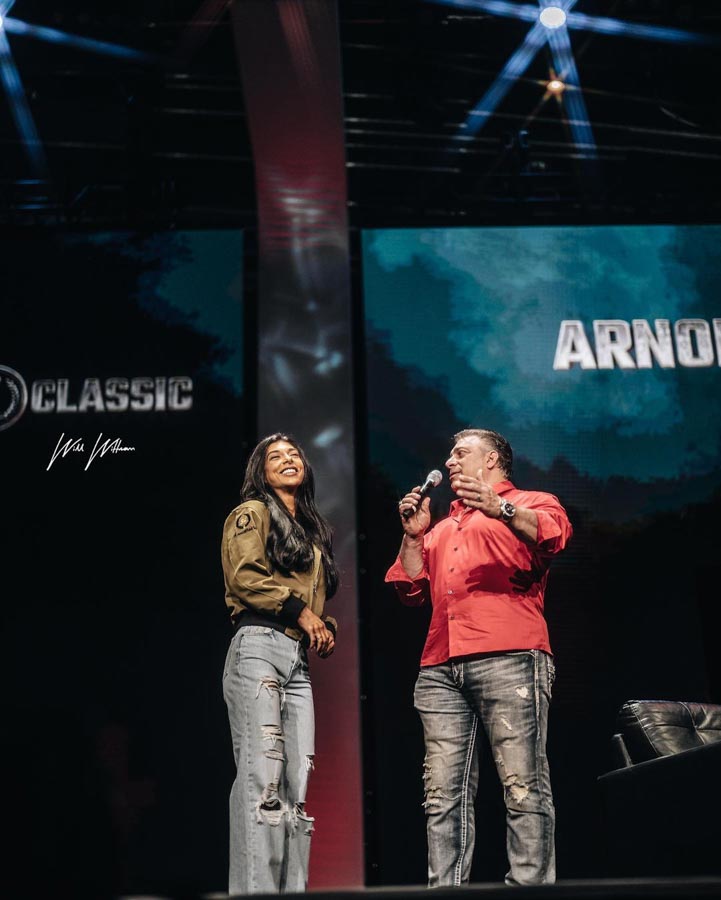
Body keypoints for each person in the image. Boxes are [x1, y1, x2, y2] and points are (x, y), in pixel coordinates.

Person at [385, 428, 573, 887]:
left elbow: (554, 535)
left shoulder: (531, 501)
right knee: (441, 795)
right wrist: (413, 536)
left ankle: (529, 889)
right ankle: (446, 891)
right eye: (450, 454)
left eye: (460, 453)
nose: (449, 461)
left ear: (491, 460)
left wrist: (499, 508)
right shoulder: (443, 526)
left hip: (509, 656)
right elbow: (411, 589)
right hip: (440, 667)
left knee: (522, 784)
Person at [221, 432, 339, 895]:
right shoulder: (251, 513)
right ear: (261, 471)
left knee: (296, 790)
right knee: (262, 783)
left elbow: (310, 601)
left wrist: (322, 625)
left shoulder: (308, 529)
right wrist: (303, 614)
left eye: (294, 454)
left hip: (295, 660)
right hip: (258, 649)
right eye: (276, 456)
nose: (288, 459)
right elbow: (245, 578)